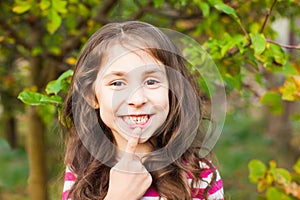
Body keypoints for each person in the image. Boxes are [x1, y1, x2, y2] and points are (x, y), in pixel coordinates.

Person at [61, 20, 224, 200]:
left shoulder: (199, 176)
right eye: (117, 83)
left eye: (151, 82)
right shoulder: (80, 172)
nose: (137, 100)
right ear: (92, 96)